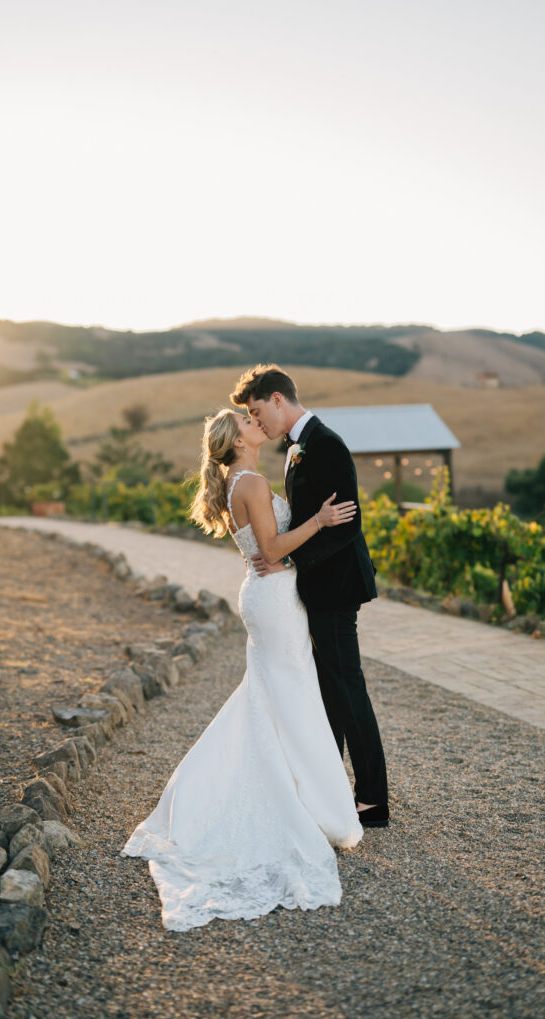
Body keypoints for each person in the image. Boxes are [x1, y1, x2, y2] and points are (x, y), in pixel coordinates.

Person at [121, 407, 363, 932]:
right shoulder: (249, 480)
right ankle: (306, 806)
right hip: (274, 598)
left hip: (266, 594)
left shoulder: (239, 481)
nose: (258, 423)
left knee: (275, 697)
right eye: (248, 423)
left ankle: (303, 797)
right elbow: (272, 549)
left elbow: (265, 547)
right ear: (237, 442)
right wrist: (319, 522)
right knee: (292, 696)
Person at [231, 364, 389, 827]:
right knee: (329, 692)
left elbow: (349, 522)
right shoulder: (297, 447)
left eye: (259, 412)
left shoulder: (325, 444)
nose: (258, 423)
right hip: (314, 588)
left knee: (348, 689)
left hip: (336, 586)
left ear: (278, 399)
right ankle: (329, 788)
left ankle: (373, 800)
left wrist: (293, 560)